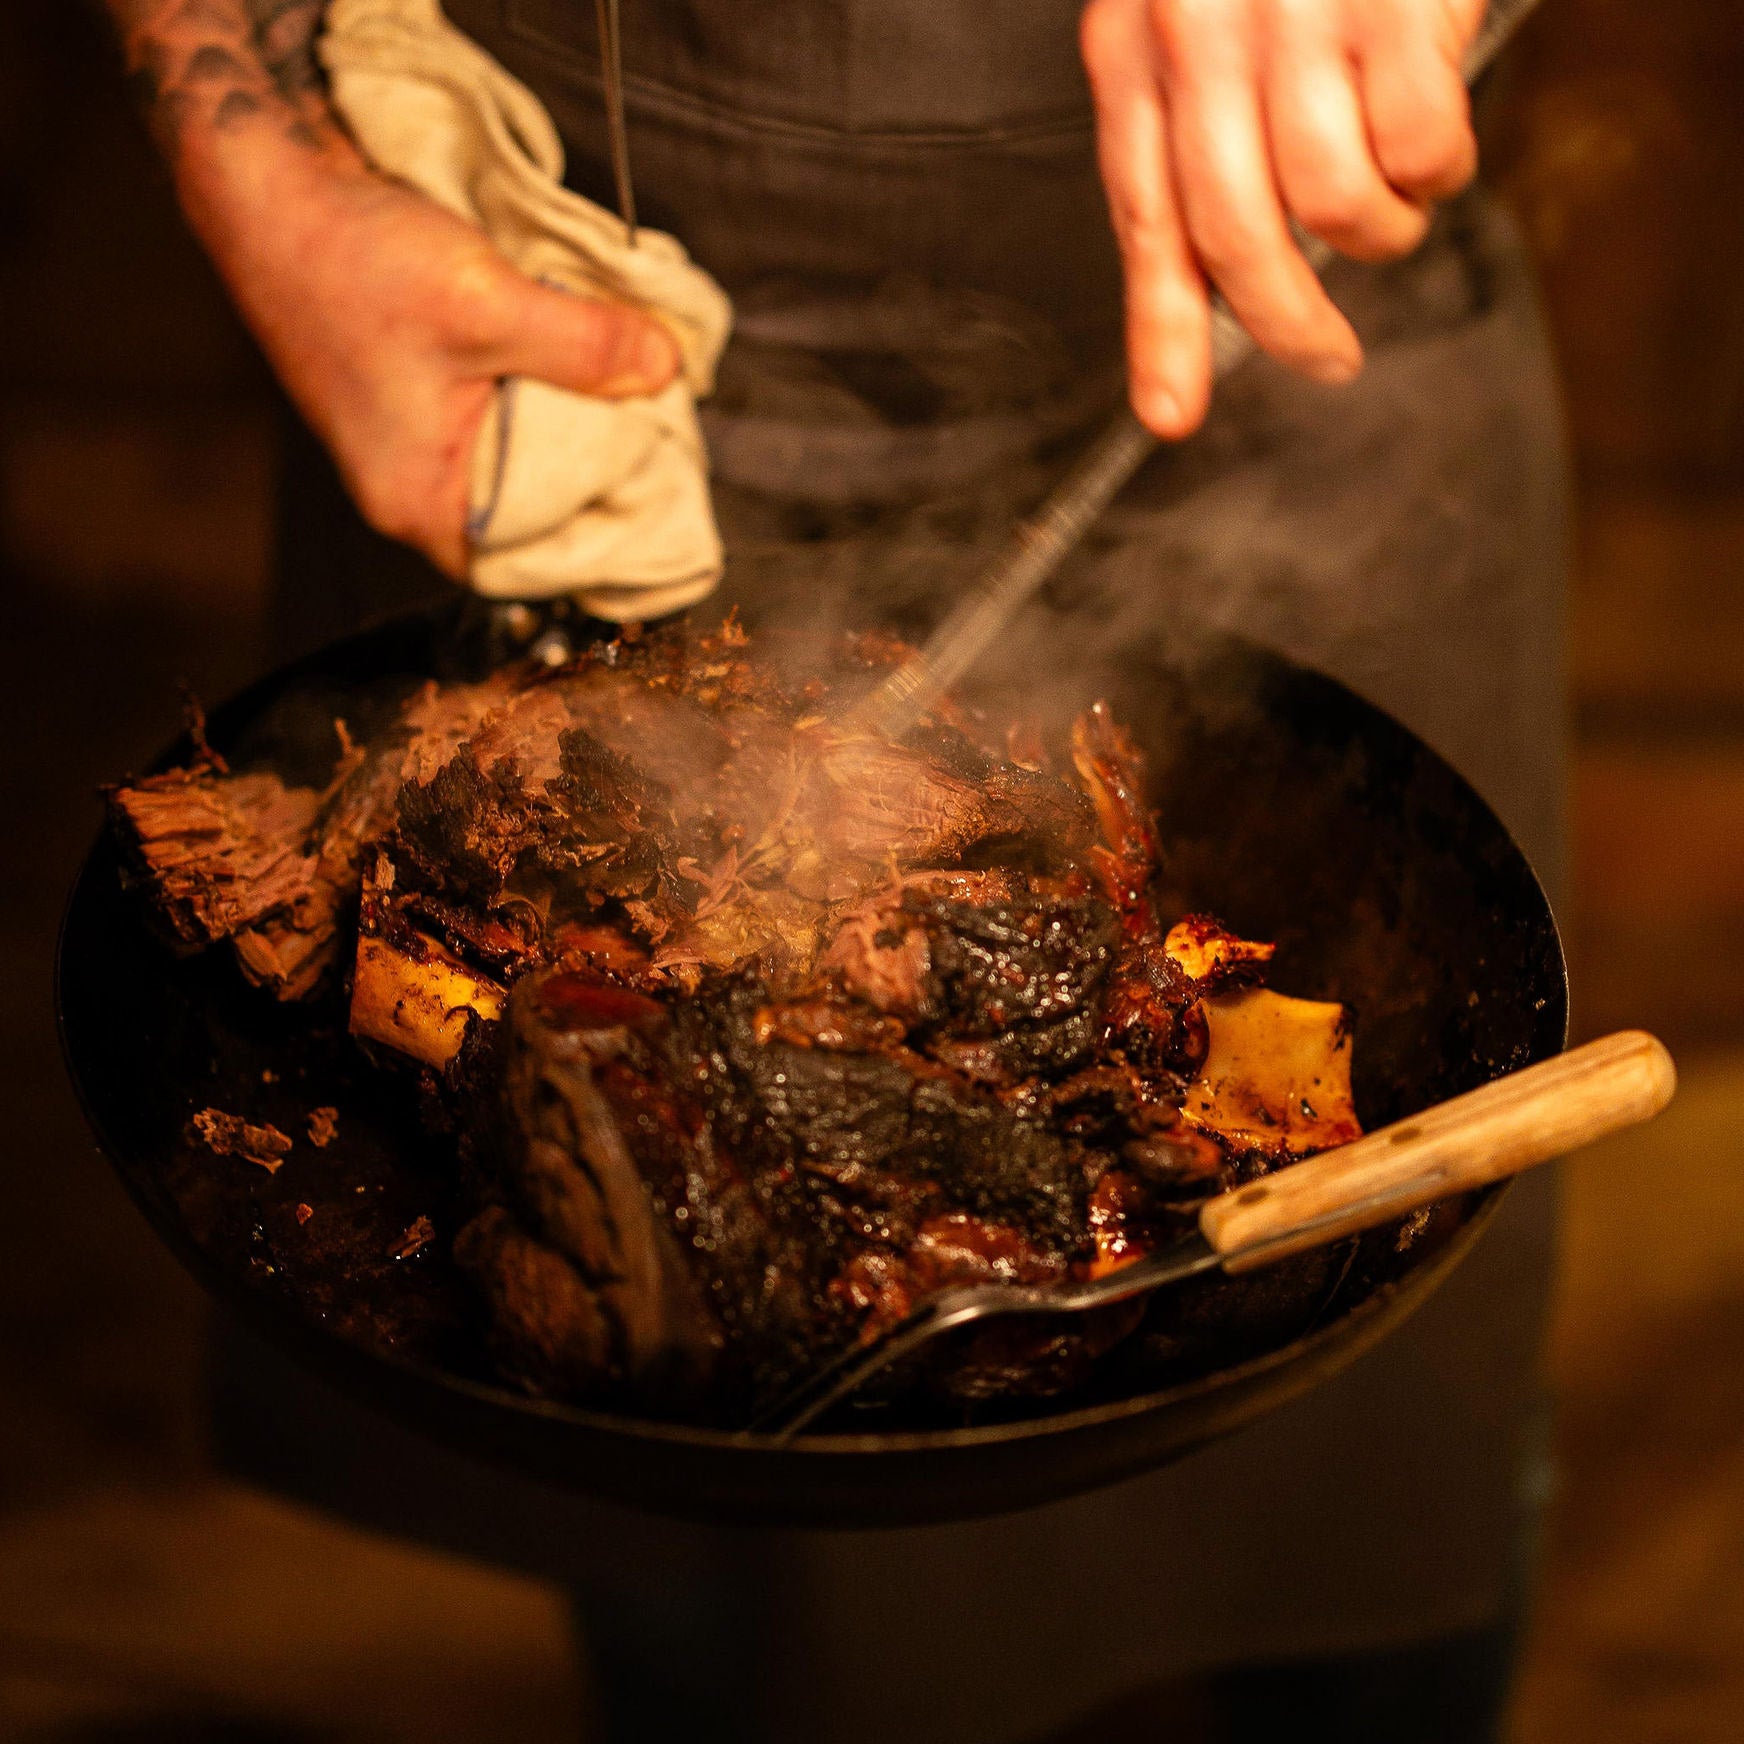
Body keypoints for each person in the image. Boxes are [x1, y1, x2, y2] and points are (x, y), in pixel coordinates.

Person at [107, 1, 1566, 1739]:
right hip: (537, 301)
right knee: (708, 1535)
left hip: (1279, 291)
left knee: (1364, 1492)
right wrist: (251, 145)